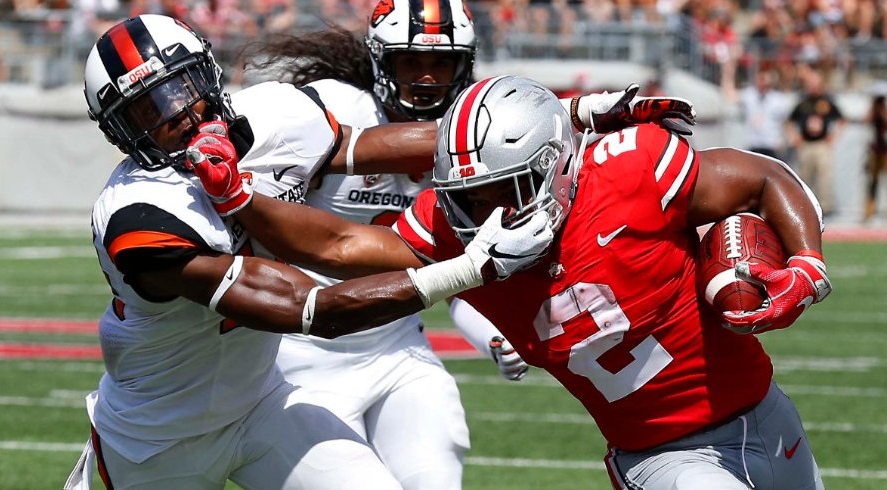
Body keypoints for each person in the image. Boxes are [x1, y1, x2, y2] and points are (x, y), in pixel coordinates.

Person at [197, 76, 830, 489]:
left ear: (557, 167)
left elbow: (762, 177)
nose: (487, 216)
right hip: (664, 456)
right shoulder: (455, 233)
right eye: (468, 197)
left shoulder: (629, 171)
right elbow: (339, 245)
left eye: (504, 190)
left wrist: (806, 266)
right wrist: (239, 199)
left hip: (767, 412)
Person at [66, 15, 553, 490]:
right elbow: (310, 309)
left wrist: (564, 122)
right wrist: (470, 268)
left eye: (181, 87)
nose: (178, 114)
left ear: (208, 74)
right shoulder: (138, 216)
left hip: (263, 403)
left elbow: (364, 157)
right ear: (120, 130)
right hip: (157, 440)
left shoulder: (273, 116)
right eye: (148, 110)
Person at [239, 2, 696, 487]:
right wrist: (569, 112)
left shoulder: (481, 121)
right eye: (411, 62)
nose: (428, 78)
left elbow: (470, 264)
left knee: (436, 473)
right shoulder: (336, 107)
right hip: (304, 355)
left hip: (397, 346)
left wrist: (490, 336)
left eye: (443, 63)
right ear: (380, 59)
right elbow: (368, 166)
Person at [785, 71, 845, 217]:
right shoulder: (803, 103)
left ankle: (825, 208)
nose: (814, 88)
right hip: (806, 144)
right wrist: (794, 137)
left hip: (821, 144)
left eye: (816, 85)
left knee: (824, 177)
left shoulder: (826, 102)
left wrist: (833, 137)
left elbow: (841, 120)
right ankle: (804, 206)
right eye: (811, 85)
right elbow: (789, 122)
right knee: (805, 177)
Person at [863, 94, 887, 222]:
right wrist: (873, 108)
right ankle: (869, 212)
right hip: (875, 151)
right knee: (872, 182)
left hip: (885, 151)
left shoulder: (884, 111)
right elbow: (866, 121)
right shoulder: (874, 112)